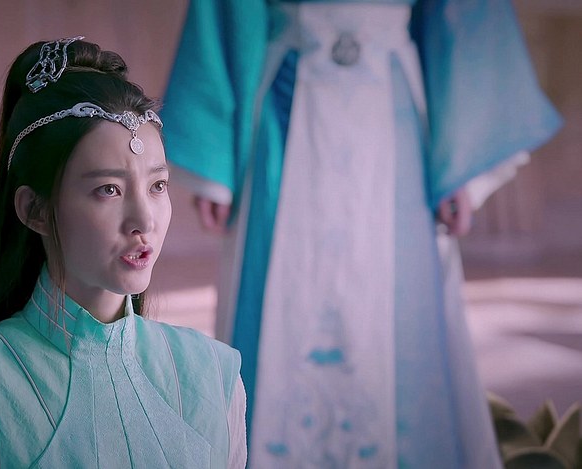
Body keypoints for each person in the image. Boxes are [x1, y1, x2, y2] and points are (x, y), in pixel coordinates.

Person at [162, 1, 561, 468]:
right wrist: (216, 162)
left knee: (400, 309)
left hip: (394, 110)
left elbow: (464, 14)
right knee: (278, 295)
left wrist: (462, 164)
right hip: (283, 109)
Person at [0, 36, 247, 468]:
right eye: (108, 189)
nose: (144, 220)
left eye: (158, 186)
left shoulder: (214, 376)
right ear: (35, 209)